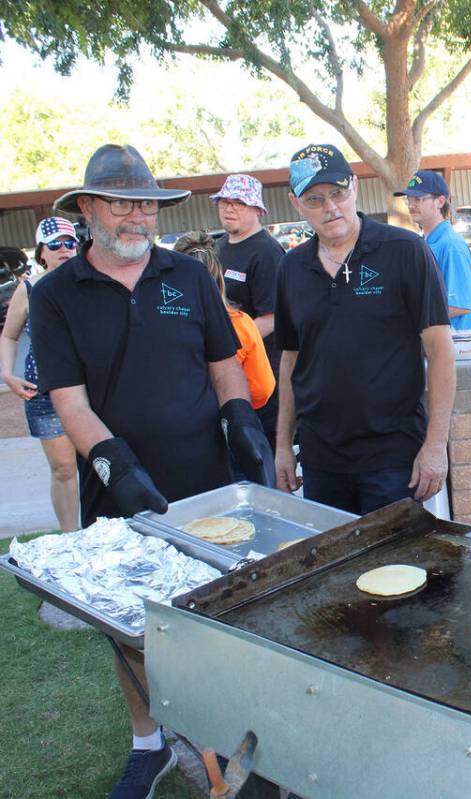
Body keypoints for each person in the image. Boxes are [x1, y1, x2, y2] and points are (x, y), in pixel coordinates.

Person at [29, 144, 275, 799]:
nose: (139, 216)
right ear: (86, 209)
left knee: (224, 613)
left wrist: (240, 420)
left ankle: (236, 737)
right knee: (131, 625)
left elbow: (224, 362)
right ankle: (150, 743)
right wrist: (115, 463)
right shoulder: (55, 294)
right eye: (122, 202)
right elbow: (69, 402)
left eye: (147, 203)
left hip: (208, 479)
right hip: (117, 483)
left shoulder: (188, 276)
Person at [274, 143, 456, 513]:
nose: (330, 207)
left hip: (393, 457)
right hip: (321, 459)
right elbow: (290, 360)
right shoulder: (291, 268)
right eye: (315, 199)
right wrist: (281, 446)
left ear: (354, 186)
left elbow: (440, 349)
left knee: (398, 569)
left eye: (338, 193)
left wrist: (436, 445)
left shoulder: (404, 251)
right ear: (296, 204)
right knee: (336, 566)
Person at [0, 217, 80, 532]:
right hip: (44, 393)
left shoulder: (91, 283)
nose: (63, 249)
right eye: (54, 244)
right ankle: (71, 537)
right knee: (63, 468)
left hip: (94, 388)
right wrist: (8, 374)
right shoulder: (29, 288)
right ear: (41, 252)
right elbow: (9, 336)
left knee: (104, 462)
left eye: (69, 242)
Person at [212, 173, 284, 451]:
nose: (229, 208)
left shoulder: (267, 252)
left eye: (238, 203)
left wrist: (230, 346)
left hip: (262, 379)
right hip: (227, 373)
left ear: (257, 209)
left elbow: (272, 317)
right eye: (224, 202)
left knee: (260, 454)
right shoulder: (218, 247)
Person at [173, 232, 275, 411]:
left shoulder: (160, 323)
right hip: (230, 421)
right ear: (219, 275)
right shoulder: (241, 324)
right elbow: (261, 391)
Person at [395, 169, 471, 330]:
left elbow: (459, 305)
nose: (411, 205)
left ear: (440, 201)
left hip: (453, 347)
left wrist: (403, 314)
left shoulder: (452, 245)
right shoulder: (425, 242)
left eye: (417, 199)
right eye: (408, 199)